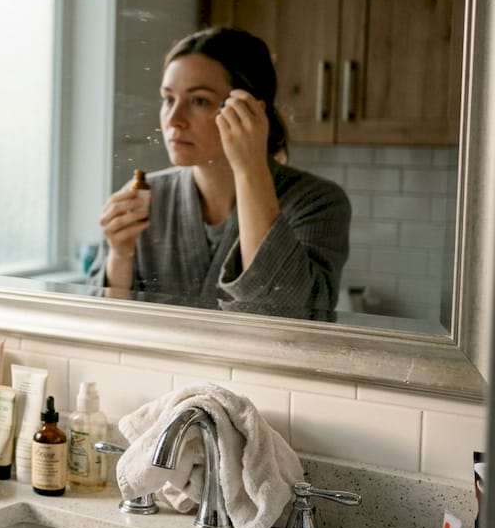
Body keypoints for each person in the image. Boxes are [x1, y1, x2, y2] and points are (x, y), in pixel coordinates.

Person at [90, 26, 350, 319]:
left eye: (199, 100)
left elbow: (292, 319)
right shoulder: (145, 196)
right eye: (168, 99)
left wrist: (251, 169)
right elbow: (104, 324)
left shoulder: (317, 202)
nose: (174, 119)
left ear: (250, 110)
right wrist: (120, 256)